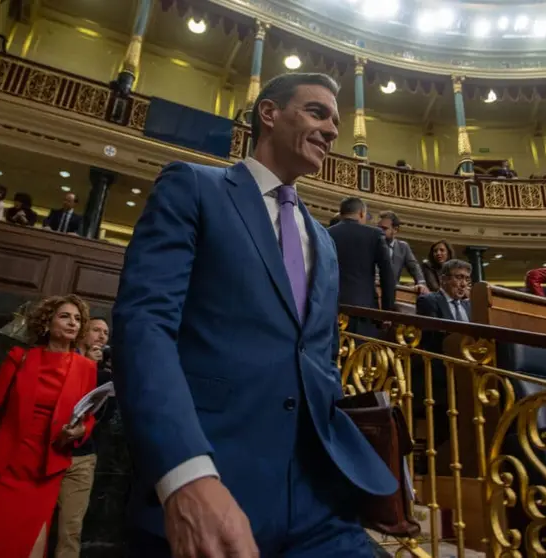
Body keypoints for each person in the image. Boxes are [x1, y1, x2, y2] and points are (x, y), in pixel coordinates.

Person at [113, 72, 396, 557]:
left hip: (319, 503)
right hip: (213, 484)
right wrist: (183, 473)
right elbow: (145, 327)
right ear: (269, 113)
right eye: (317, 112)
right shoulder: (194, 187)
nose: (332, 130)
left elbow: (320, 360)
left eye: (336, 121)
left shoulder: (324, 241)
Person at [0, 294, 98, 558]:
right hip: (1, 471)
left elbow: (87, 417)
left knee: (29, 549)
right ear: (47, 323)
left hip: (45, 472)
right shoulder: (20, 358)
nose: (73, 322)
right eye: (65, 316)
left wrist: (81, 431)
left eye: (78, 319)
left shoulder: (86, 368)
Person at [55, 318, 112, 558]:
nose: (101, 336)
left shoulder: (104, 373)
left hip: (82, 457)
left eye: (106, 333)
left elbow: (106, 417)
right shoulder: (63, 362)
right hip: (51, 450)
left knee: (70, 529)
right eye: (96, 330)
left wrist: (101, 372)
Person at [414, 259, 473, 447]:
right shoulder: (428, 301)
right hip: (440, 370)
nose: (463, 283)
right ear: (444, 279)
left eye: (466, 279)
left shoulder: (469, 307)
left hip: (467, 368)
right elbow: (432, 337)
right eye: (458, 277)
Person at [328, 197, 395, 336]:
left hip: (331, 307)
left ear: (341, 214)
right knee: (362, 354)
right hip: (365, 310)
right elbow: (387, 275)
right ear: (361, 213)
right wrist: (387, 311)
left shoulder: (326, 234)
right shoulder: (375, 234)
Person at [378, 211, 428, 294]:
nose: (380, 231)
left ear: (395, 230)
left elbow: (414, 268)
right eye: (378, 228)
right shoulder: (372, 244)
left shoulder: (403, 247)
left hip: (393, 293)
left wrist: (421, 283)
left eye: (384, 228)